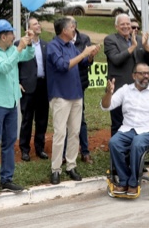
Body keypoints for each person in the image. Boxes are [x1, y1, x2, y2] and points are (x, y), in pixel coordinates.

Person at [102, 62, 149, 196]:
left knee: (137, 143)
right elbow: (106, 106)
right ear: (134, 75)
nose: (146, 76)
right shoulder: (125, 90)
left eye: (148, 73)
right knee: (114, 142)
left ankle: (133, 183)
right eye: (142, 73)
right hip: (128, 129)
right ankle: (124, 181)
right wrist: (109, 92)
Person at [0, 19, 34, 199]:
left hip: (12, 101)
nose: (14, 36)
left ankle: (6, 179)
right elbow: (4, 68)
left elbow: (28, 56)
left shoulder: (11, 49)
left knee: (10, 141)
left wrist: (30, 43)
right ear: (3, 36)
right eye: (11, 33)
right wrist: (18, 49)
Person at [46, 16, 100, 185]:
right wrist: (83, 53)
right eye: (72, 26)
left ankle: (71, 165)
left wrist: (90, 56)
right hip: (61, 95)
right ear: (64, 30)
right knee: (60, 133)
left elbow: (83, 63)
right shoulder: (53, 46)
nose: (74, 29)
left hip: (76, 94)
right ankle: (55, 169)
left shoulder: (70, 45)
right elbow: (63, 66)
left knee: (75, 132)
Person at [104, 13, 149, 135]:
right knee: (118, 123)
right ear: (116, 26)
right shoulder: (110, 40)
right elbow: (116, 59)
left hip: (138, 89)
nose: (126, 26)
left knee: (137, 122)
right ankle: (118, 152)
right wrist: (133, 47)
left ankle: (134, 151)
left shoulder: (139, 39)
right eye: (122, 24)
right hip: (119, 89)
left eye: (128, 24)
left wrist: (148, 50)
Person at [18, 16, 49, 162]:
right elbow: (15, 64)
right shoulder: (21, 43)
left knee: (42, 119)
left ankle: (40, 148)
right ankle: (25, 150)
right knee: (27, 119)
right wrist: (17, 82)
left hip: (43, 86)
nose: (38, 25)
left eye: (38, 23)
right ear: (28, 28)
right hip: (27, 86)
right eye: (35, 24)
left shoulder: (45, 45)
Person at [71, 22, 95, 163]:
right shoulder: (61, 40)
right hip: (65, 85)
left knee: (81, 118)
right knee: (66, 121)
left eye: (73, 24)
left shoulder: (84, 38)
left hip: (80, 83)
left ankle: (85, 151)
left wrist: (90, 57)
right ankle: (65, 154)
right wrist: (82, 56)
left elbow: (86, 62)